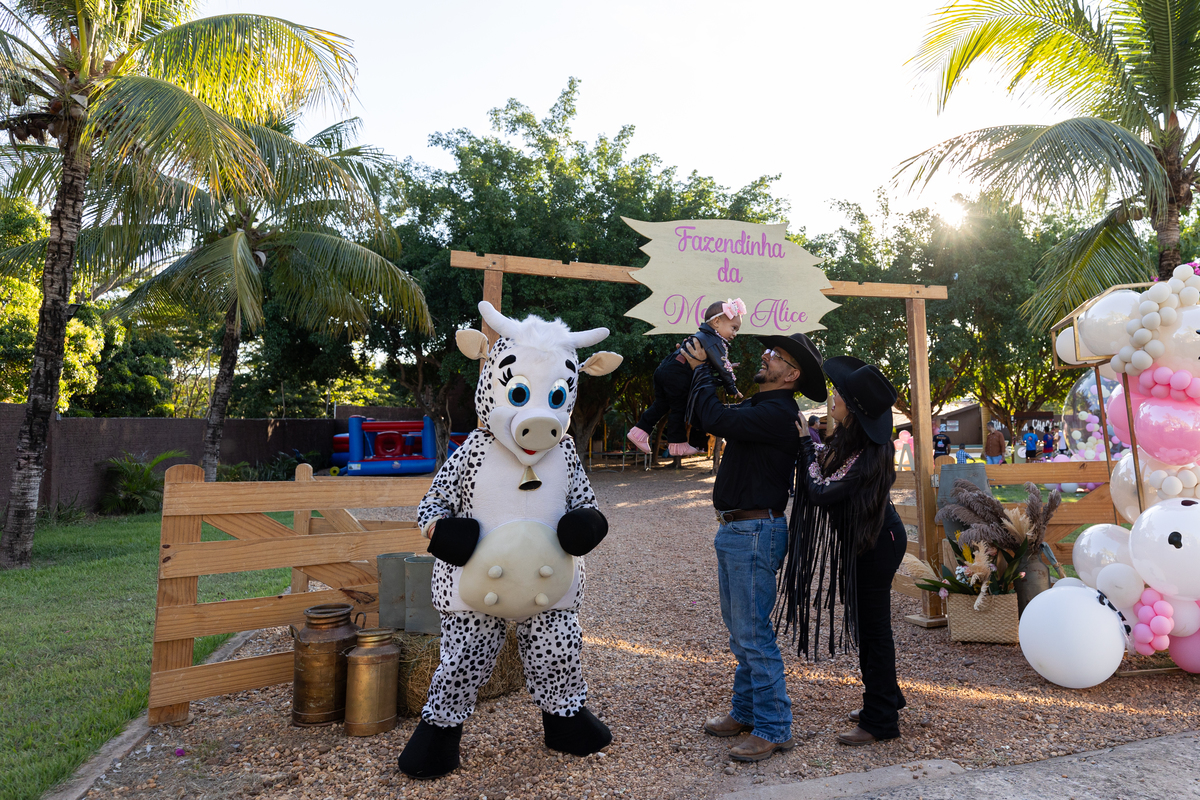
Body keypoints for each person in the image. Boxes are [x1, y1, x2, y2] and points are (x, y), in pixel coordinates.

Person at [681, 331, 826, 762]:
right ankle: (745, 710)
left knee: (753, 633)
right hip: (739, 530)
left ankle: (775, 726)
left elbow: (713, 417)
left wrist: (701, 369)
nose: (765, 356)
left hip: (754, 532)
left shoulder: (778, 413)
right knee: (740, 630)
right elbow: (712, 411)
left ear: (792, 375)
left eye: (774, 355)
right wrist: (713, 371)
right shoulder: (761, 407)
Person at [778, 356, 908, 746]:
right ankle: (887, 698)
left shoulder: (865, 456)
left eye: (839, 394)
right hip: (871, 541)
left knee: (874, 631)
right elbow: (828, 471)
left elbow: (820, 490)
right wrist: (812, 443)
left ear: (852, 408)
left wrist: (805, 444)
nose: (833, 396)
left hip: (877, 546)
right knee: (871, 629)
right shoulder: (857, 445)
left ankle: (881, 719)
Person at [627, 299, 746, 457]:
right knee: (680, 407)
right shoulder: (714, 341)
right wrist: (731, 387)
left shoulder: (703, 336)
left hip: (665, 369)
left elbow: (718, 364)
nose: (735, 334)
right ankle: (677, 444)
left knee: (661, 404)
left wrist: (725, 366)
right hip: (677, 375)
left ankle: (639, 431)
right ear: (717, 322)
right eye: (733, 328)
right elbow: (722, 365)